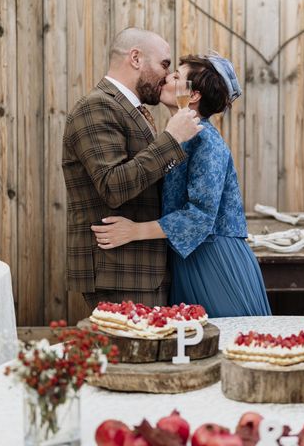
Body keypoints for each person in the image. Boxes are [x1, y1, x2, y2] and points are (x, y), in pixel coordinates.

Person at [91, 54, 272, 317]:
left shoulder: (206, 142)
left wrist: (133, 231)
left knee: (230, 341)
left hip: (215, 260)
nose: (166, 78)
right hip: (187, 258)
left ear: (194, 95)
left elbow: (199, 216)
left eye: (176, 76)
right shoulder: (178, 139)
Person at [63, 28, 202, 309]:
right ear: (136, 58)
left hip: (141, 269)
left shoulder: (130, 109)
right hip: (119, 271)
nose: (167, 75)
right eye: (164, 64)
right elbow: (113, 186)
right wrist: (172, 139)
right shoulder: (97, 107)